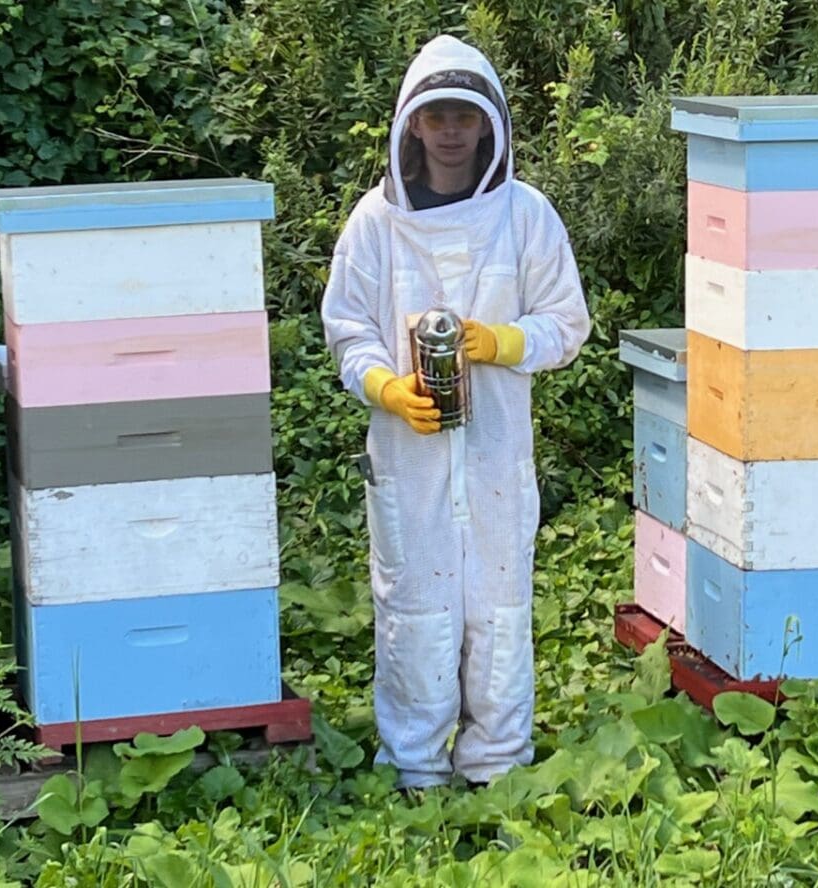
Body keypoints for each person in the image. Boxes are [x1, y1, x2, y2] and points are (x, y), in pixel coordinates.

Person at [319, 35, 591, 790]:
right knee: (415, 605)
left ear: (489, 126)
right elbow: (347, 329)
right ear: (411, 124)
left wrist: (501, 340)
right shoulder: (374, 223)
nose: (448, 130)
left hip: (498, 449)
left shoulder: (527, 215)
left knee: (500, 604)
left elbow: (567, 324)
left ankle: (497, 765)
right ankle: (416, 766)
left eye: (462, 116)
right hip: (409, 456)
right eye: (434, 114)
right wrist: (384, 389)